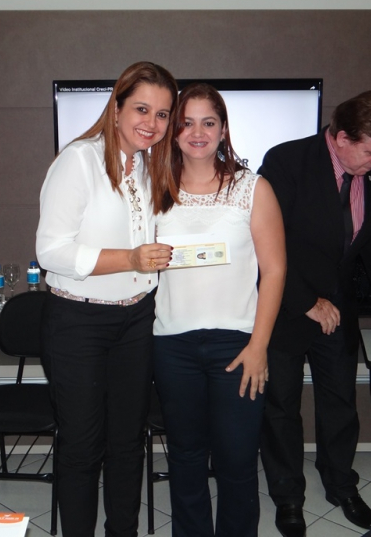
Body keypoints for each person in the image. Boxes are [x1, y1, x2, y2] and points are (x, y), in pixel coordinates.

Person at [258, 91, 371, 537]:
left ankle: (341, 485)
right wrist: (306, 301)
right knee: (281, 406)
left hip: (338, 309)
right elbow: (264, 241)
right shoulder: (287, 161)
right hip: (287, 306)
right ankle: (288, 495)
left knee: (340, 403)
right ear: (342, 137)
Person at [36, 61, 176, 537]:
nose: (151, 123)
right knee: (81, 446)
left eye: (162, 114)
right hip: (78, 323)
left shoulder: (150, 166)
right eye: (141, 109)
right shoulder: (79, 159)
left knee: (128, 443)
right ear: (116, 107)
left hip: (136, 320)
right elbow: (50, 251)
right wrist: (130, 259)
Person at [151, 83, 286, 537]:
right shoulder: (154, 189)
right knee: (186, 458)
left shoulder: (252, 188)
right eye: (186, 122)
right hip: (172, 345)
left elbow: (275, 271)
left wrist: (259, 346)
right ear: (173, 131)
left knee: (237, 459)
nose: (197, 133)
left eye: (208, 122)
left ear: (223, 129)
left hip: (238, 346)